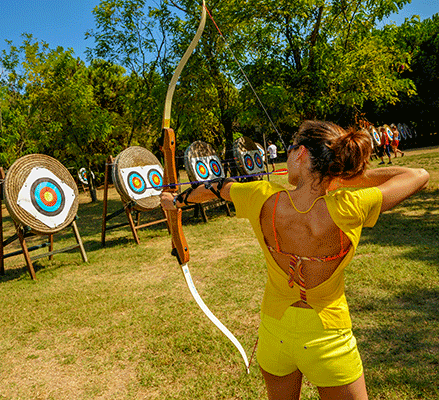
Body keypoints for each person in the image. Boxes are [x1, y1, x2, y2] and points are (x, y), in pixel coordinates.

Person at [161, 120, 429, 400]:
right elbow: (418, 175)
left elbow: (218, 187)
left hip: (275, 335)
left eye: (290, 151)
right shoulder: (351, 205)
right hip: (330, 340)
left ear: (300, 153)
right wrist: (345, 177)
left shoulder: (261, 197)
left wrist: (176, 201)